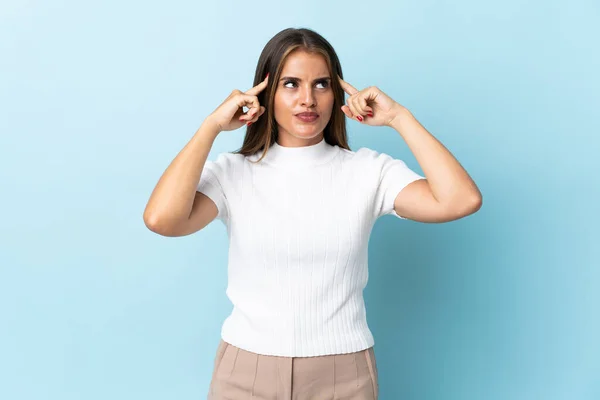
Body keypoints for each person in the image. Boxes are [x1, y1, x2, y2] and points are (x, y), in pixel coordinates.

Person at [143, 27, 482, 400]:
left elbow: (460, 200)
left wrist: (400, 118)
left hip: (343, 373)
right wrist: (211, 126)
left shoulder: (368, 171)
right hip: (245, 370)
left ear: (336, 93)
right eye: (291, 84)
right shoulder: (233, 173)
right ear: (265, 93)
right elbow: (162, 219)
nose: (308, 99)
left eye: (321, 84)